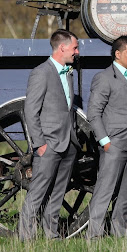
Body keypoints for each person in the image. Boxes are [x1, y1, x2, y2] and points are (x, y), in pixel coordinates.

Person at [19, 29, 80, 241]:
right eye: (74, 48)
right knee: (37, 192)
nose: (77, 52)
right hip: (49, 145)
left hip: (69, 144)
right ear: (62, 47)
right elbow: (31, 111)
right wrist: (40, 143)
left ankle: (51, 236)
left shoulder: (68, 73)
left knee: (58, 193)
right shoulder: (41, 73)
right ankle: (26, 238)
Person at [86, 35, 127, 238]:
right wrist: (105, 142)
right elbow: (93, 113)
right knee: (104, 191)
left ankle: (119, 234)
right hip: (115, 143)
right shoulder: (104, 78)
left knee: (126, 193)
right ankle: (94, 236)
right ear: (118, 54)